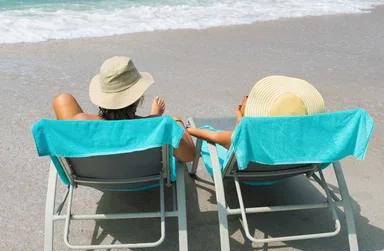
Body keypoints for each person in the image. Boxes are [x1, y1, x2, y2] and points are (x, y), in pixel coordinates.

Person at [52, 56, 196, 163]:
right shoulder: (156, 126)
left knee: (63, 99)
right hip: (144, 176)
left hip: (93, 173)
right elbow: (189, 155)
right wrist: (174, 121)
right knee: (172, 122)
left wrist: (154, 118)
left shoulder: (80, 122)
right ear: (138, 97)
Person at [187, 75, 326, 149]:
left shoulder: (248, 140)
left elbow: (210, 135)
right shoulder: (301, 142)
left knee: (211, 143)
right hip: (283, 172)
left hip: (247, 175)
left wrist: (188, 129)